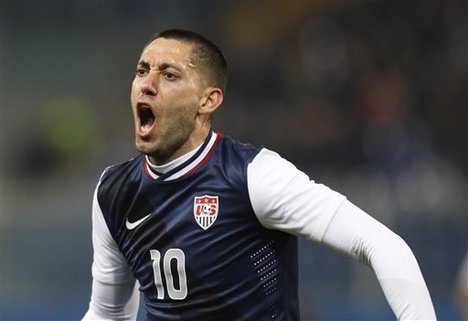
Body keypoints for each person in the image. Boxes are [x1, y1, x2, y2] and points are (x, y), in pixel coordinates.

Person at [82, 29, 437, 321]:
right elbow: (107, 314)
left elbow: (383, 245)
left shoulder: (252, 175)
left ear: (208, 101)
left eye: (169, 74)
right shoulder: (114, 192)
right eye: (142, 70)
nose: (147, 84)